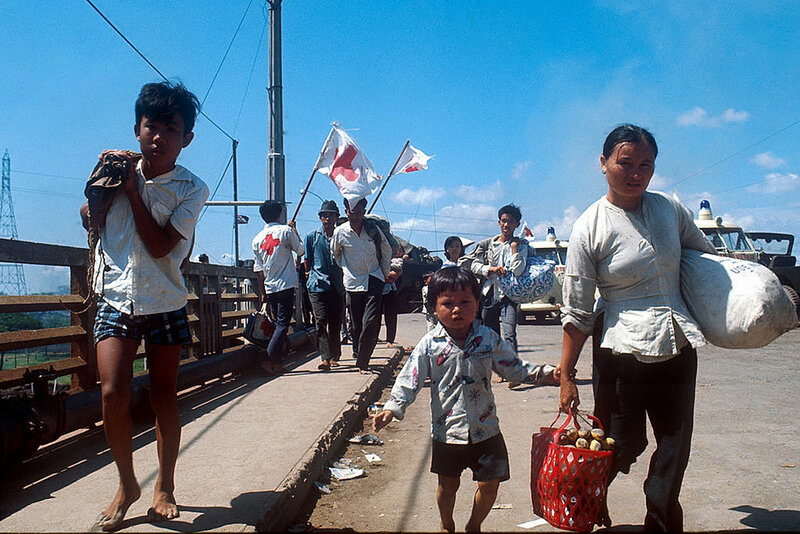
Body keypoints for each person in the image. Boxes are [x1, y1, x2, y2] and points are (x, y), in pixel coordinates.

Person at [558, 124, 717, 532]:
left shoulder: (670, 210)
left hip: (677, 344)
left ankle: (661, 522)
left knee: (674, 444)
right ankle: (581, 499)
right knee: (621, 443)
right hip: (620, 353)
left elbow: (703, 259)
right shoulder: (589, 227)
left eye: (646, 165)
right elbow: (576, 312)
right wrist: (566, 376)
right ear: (604, 163)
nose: (636, 174)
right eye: (625, 163)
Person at [79, 81, 209, 531]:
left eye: (170, 129)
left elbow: (158, 247)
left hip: (165, 300)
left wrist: (132, 192)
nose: (158, 135)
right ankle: (127, 485)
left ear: (186, 138)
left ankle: (165, 486)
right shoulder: (116, 172)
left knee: (163, 397)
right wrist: (97, 192)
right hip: (116, 294)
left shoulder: (192, 189)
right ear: (136, 128)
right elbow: (90, 218)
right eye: (150, 125)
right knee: (113, 394)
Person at [372, 267, 556, 533]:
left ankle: (474, 525)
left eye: (464, 302)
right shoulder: (429, 344)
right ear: (434, 307)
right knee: (448, 485)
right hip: (448, 432)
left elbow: (514, 368)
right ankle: (447, 523)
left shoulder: (488, 339)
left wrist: (550, 374)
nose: (456, 309)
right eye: (447, 303)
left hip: (486, 428)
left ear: (477, 303)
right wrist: (392, 408)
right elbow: (409, 378)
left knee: (491, 484)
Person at [330, 197, 395, 373]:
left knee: (371, 320)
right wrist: (346, 268)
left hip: (374, 277)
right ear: (346, 213)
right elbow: (335, 253)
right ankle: (358, 351)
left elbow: (386, 248)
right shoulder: (340, 232)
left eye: (359, 212)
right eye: (352, 212)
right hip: (352, 281)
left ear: (363, 213)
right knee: (356, 323)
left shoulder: (372, 229)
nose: (355, 216)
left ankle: (363, 361)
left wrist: (384, 272)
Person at [459, 204, 528, 365]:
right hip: (489, 294)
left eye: (511, 222)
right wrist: (490, 269)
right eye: (504, 221)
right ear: (499, 222)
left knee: (510, 333)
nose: (506, 225)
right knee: (491, 333)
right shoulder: (489, 244)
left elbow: (518, 270)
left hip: (509, 295)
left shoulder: (521, 245)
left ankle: (513, 370)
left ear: (517, 224)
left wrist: (514, 249)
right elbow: (474, 265)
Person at [252, 200, 304, 375]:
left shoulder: (257, 239)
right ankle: (265, 359)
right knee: (282, 324)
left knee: (277, 325)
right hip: (286, 285)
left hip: (270, 287)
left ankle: (277, 363)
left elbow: (258, 270)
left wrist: (262, 293)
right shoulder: (286, 231)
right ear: (280, 214)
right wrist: (294, 229)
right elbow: (301, 251)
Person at [304, 200, 345, 371]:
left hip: (337, 285)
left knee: (335, 322)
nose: (327, 218)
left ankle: (335, 355)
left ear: (336, 217)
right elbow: (307, 260)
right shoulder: (312, 237)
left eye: (331, 215)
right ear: (320, 218)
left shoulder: (342, 236)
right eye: (324, 215)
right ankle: (325, 357)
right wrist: (310, 275)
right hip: (317, 284)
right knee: (320, 320)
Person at [381, 248, 404, 347]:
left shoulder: (398, 260)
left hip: (390, 290)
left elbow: (396, 270)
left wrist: (386, 271)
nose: (398, 252)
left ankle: (390, 339)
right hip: (380, 289)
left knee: (390, 316)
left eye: (400, 250)